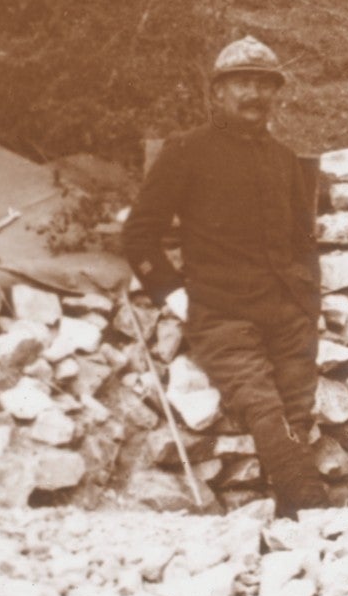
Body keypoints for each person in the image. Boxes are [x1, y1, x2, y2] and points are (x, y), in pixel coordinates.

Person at [122, 35, 328, 516]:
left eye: (264, 85)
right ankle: (320, 518)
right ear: (217, 93)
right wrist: (175, 298)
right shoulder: (187, 151)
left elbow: (304, 242)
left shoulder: (282, 158)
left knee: (299, 412)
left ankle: (293, 525)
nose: (254, 95)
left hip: (286, 313)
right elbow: (139, 235)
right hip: (221, 313)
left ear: (276, 94)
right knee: (262, 408)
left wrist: (307, 303)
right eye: (242, 84)